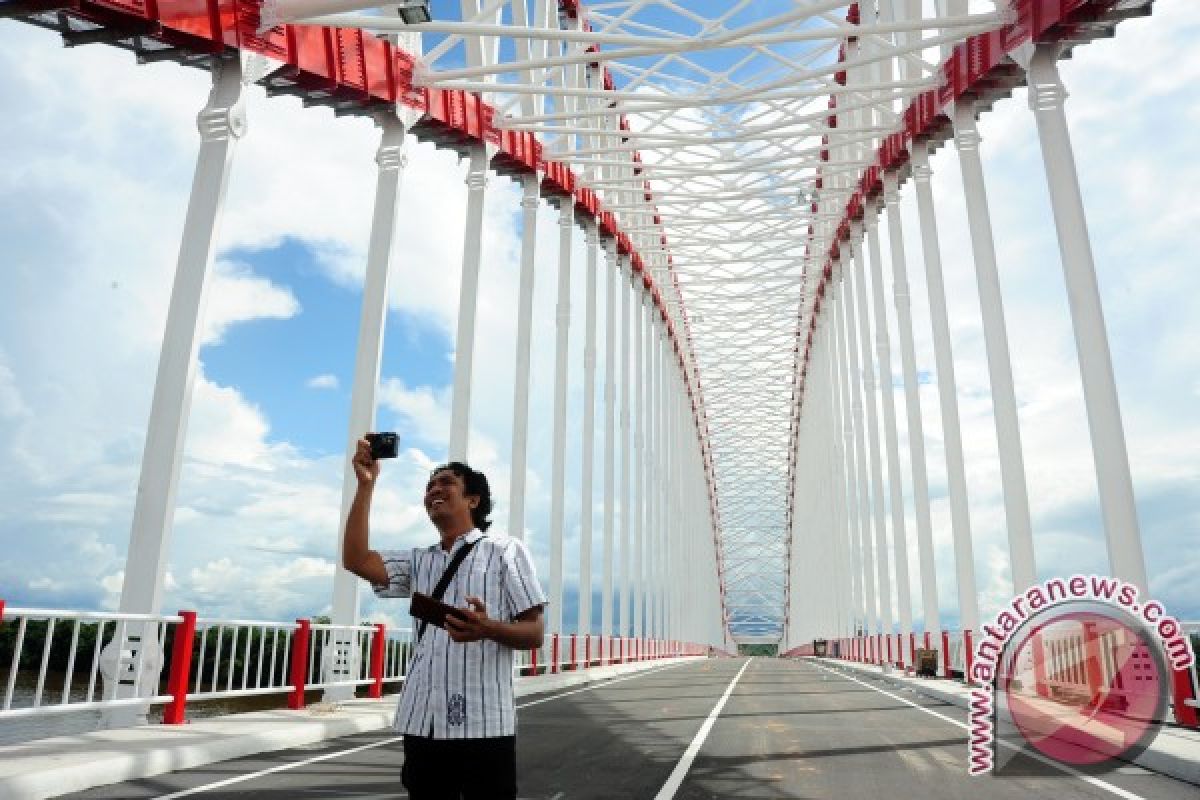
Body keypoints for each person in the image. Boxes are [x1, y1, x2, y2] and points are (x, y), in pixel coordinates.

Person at [342, 436, 546, 800]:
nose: (434, 489)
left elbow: (534, 633)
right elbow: (356, 560)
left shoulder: (505, 551)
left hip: (484, 726)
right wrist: (365, 485)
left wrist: (487, 628)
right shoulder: (420, 560)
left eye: (446, 482)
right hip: (423, 722)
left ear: (473, 500)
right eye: (429, 485)